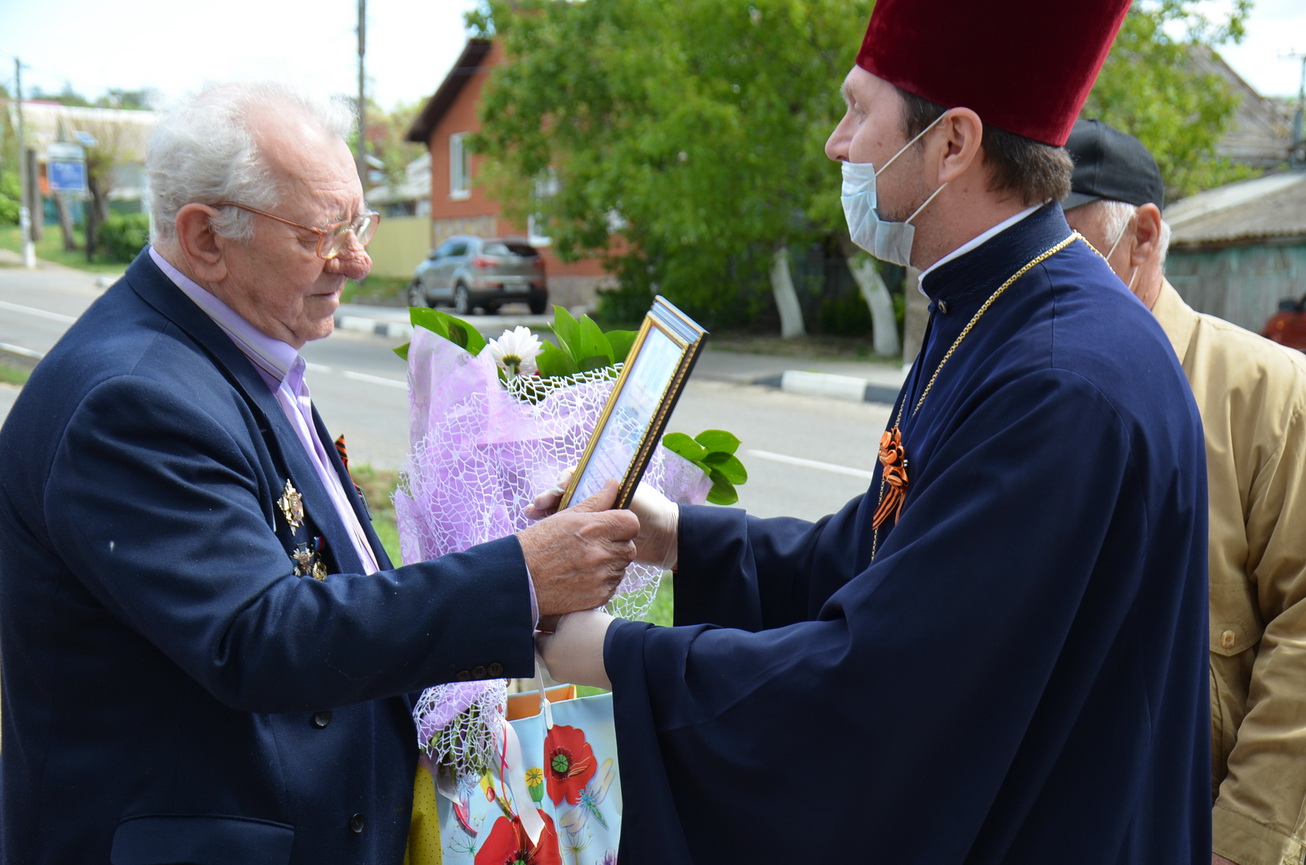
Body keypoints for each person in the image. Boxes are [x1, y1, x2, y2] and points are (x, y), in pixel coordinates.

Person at [534, 0, 1213, 861]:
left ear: (953, 143)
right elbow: (885, 550)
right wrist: (676, 537)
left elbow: (888, 686)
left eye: (858, 110)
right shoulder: (993, 304)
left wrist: (618, 655)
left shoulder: (1057, 378)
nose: (837, 143)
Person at [0, 82, 640, 863]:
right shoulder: (133, 399)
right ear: (205, 237)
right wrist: (520, 578)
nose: (358, 260)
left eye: (358, 224)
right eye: (322, 233)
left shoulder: (233, 347)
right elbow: (262, 634)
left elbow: (327, 573)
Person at [1062, 118, 1306, 865]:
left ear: (1142, 238)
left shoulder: (1269, 393)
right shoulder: (1034, 383)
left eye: (1065, 253)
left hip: (1193, 829)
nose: (1042, 281)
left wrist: (1243, 842)